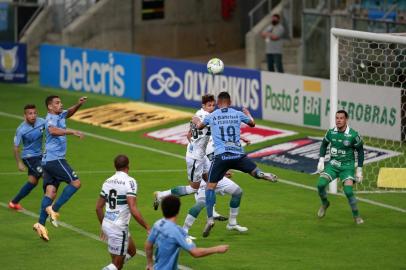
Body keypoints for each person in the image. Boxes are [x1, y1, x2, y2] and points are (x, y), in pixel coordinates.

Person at [192, 91, 277, 238]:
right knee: (253, 171)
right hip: (237, 154)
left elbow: (199, 126)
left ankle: (210, 219)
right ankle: (262, 174)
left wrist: (196, 121)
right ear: (230, 102)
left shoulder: (213, 115)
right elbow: (252, 123)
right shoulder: (237, 114)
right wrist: (248, 113)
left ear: (218, 103)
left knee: (210, 187)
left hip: (221, 156)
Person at [153, 94, 226, 221]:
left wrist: (195, 143)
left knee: (211, 181)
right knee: (193, 188)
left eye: (213, 105)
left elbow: (188, 134)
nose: (212, 107)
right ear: (203, 105)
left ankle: (211, 211)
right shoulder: (206, 117)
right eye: (209, 105)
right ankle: (162, 195)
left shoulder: (198, 113)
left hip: (200, 155)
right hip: (195, 158)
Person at [33, 95, 87, 241]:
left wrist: (78, 104)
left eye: (60, 102)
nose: (60, 104)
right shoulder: (50, 118)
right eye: (57, 103)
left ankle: (40, 224)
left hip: (47, 161)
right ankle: (54, 209)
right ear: (50, 106)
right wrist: (72, 132)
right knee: (76, 183)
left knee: (50, 192)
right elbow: (53, 131)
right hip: (55, 159)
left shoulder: (60, 114)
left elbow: (69, 112)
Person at [145, 195, 229, 270]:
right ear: (178, 211)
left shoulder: (158, 224)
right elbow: (195, 252)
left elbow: (148, 244)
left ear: (162, 209)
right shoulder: (177, 231)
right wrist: (217, 249)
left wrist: (149, 264)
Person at [96, 155, 150, 270]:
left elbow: (98, 208)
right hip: (119, 227)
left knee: (132, 251)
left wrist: (103, 225)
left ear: (115, 166)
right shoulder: (130, 182)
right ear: (128, 166)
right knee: (117, 265)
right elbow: (132, 208)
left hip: (108, 223)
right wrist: (147, 226)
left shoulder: (107, 181)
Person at [316, 110, 364, 224]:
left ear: (346, 120)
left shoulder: (353, 135)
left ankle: (356, 216)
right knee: (320, 185)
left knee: (348, 191)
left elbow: (360, 152)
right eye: (337, 118)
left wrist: (359, 170)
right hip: (333, 165)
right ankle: (325, 203)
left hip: (347, 167)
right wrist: (321, 160)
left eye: (341, 118)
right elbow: (323, 145)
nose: (338, 120)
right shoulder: (331, 132)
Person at [9, 104, 46, 211]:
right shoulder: (21, 129)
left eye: (35, 113)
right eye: (30, 113)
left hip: (40, 156)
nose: (33, 116)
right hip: (29, 157)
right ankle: (49, 206)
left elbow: (52, 128)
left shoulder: (42, 122)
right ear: (25, 115)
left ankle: (14, 202)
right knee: (46, 175)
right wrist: (19, 163)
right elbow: (16, 147)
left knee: (32, 182)